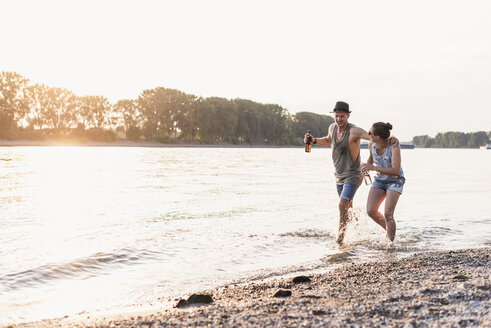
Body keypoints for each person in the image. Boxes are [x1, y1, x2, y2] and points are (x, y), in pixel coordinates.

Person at [305, 101, 370, 245]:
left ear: (348, 115)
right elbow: (328, 140)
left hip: (353, 174)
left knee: (342, 204)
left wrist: (390, 141)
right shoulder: (332, 127)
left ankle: (339, 240)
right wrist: (314, 140)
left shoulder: (355, 131)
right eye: (337, 116)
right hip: (339, 175)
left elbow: (373, 138)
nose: (339, 119)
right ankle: (358, 234)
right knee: (348, 207)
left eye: (342, 116)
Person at [360, 122, 405, 242]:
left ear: (378, 136)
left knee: (388, 214)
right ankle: (389, 231)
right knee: (371, 211)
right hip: (380, 180)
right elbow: (371, 159)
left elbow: (395, 170)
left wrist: (374, 168)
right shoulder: (371, 145)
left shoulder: (394, 147)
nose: (368, 134)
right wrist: (366, 166)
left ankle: (390, 243)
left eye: (370, 133)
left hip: (395, 181)